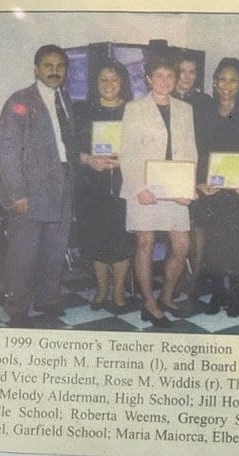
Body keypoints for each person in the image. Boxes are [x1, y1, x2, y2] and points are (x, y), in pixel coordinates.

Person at [0, 44, 78, 328]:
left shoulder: (65, 100)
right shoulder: (20, 101)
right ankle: (17, 306)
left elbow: (69, 144)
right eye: (48, 65)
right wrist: (17, 193)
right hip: (30, 191)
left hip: (62, 183)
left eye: (60, 66)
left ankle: (47, 299)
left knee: (55, 248)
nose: (54, 71)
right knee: (23, 251)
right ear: (36, 70)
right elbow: (7, 150)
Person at [119, 54, 197, 328]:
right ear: (149, 79)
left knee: (182, 245)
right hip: (143, 188)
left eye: (170, 76)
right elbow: (127, 153)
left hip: (176, 188)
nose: (165, 81)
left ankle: (165, 295)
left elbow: (191, 153)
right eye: (159, 76)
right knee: (145, 244)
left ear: (176, 81)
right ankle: (149, 303)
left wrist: (189, 187)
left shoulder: (185, 109)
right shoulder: (134, 108)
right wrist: (139, 187)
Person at [196, 58, 239, 317]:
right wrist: (199, 181)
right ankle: (218, 292)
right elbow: (198, 151)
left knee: (236, 245)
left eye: (233, 80)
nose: (227, 84)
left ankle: (235, 293)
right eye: (222, 79)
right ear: (215, 82)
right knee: (214, 246)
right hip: (212, 190)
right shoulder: (203, 109)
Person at [73, 59, 135, 310]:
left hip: (124, 183)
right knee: (96, 238)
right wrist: (89, 160)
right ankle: (101, 289)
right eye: (103, 79)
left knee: (121, 239)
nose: (109, 84)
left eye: (114, 79)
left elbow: (145, 148)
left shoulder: (134, 110)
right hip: (92, 186)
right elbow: (70, 149)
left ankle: (119, 291)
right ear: (95, 83)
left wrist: (127, 159)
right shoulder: (82, 111)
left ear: (122, 82)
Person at [171, 51, 217, 301]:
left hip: (198, 170)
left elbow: (209, 141)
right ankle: (176, 278)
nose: (187, 76)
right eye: (182, 70)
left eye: (192, 71)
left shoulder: (205, 102)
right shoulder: (164, 97)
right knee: (177, 228)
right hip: (172, 171)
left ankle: (195, 278)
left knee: (198, 226)